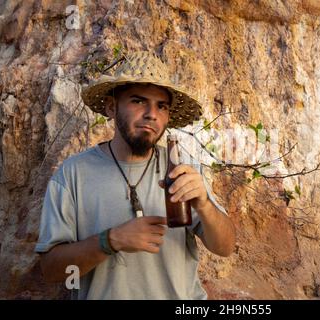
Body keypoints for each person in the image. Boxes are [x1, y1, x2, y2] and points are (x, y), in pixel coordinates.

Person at [35, 51, 236, 299]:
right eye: (139, 101)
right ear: (111, 107)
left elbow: (225, 247)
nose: (152, 114)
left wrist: (204, 205)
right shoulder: (72, 175)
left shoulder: (183, 168)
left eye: (161, 106)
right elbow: (52, 270)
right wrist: (111, 240)